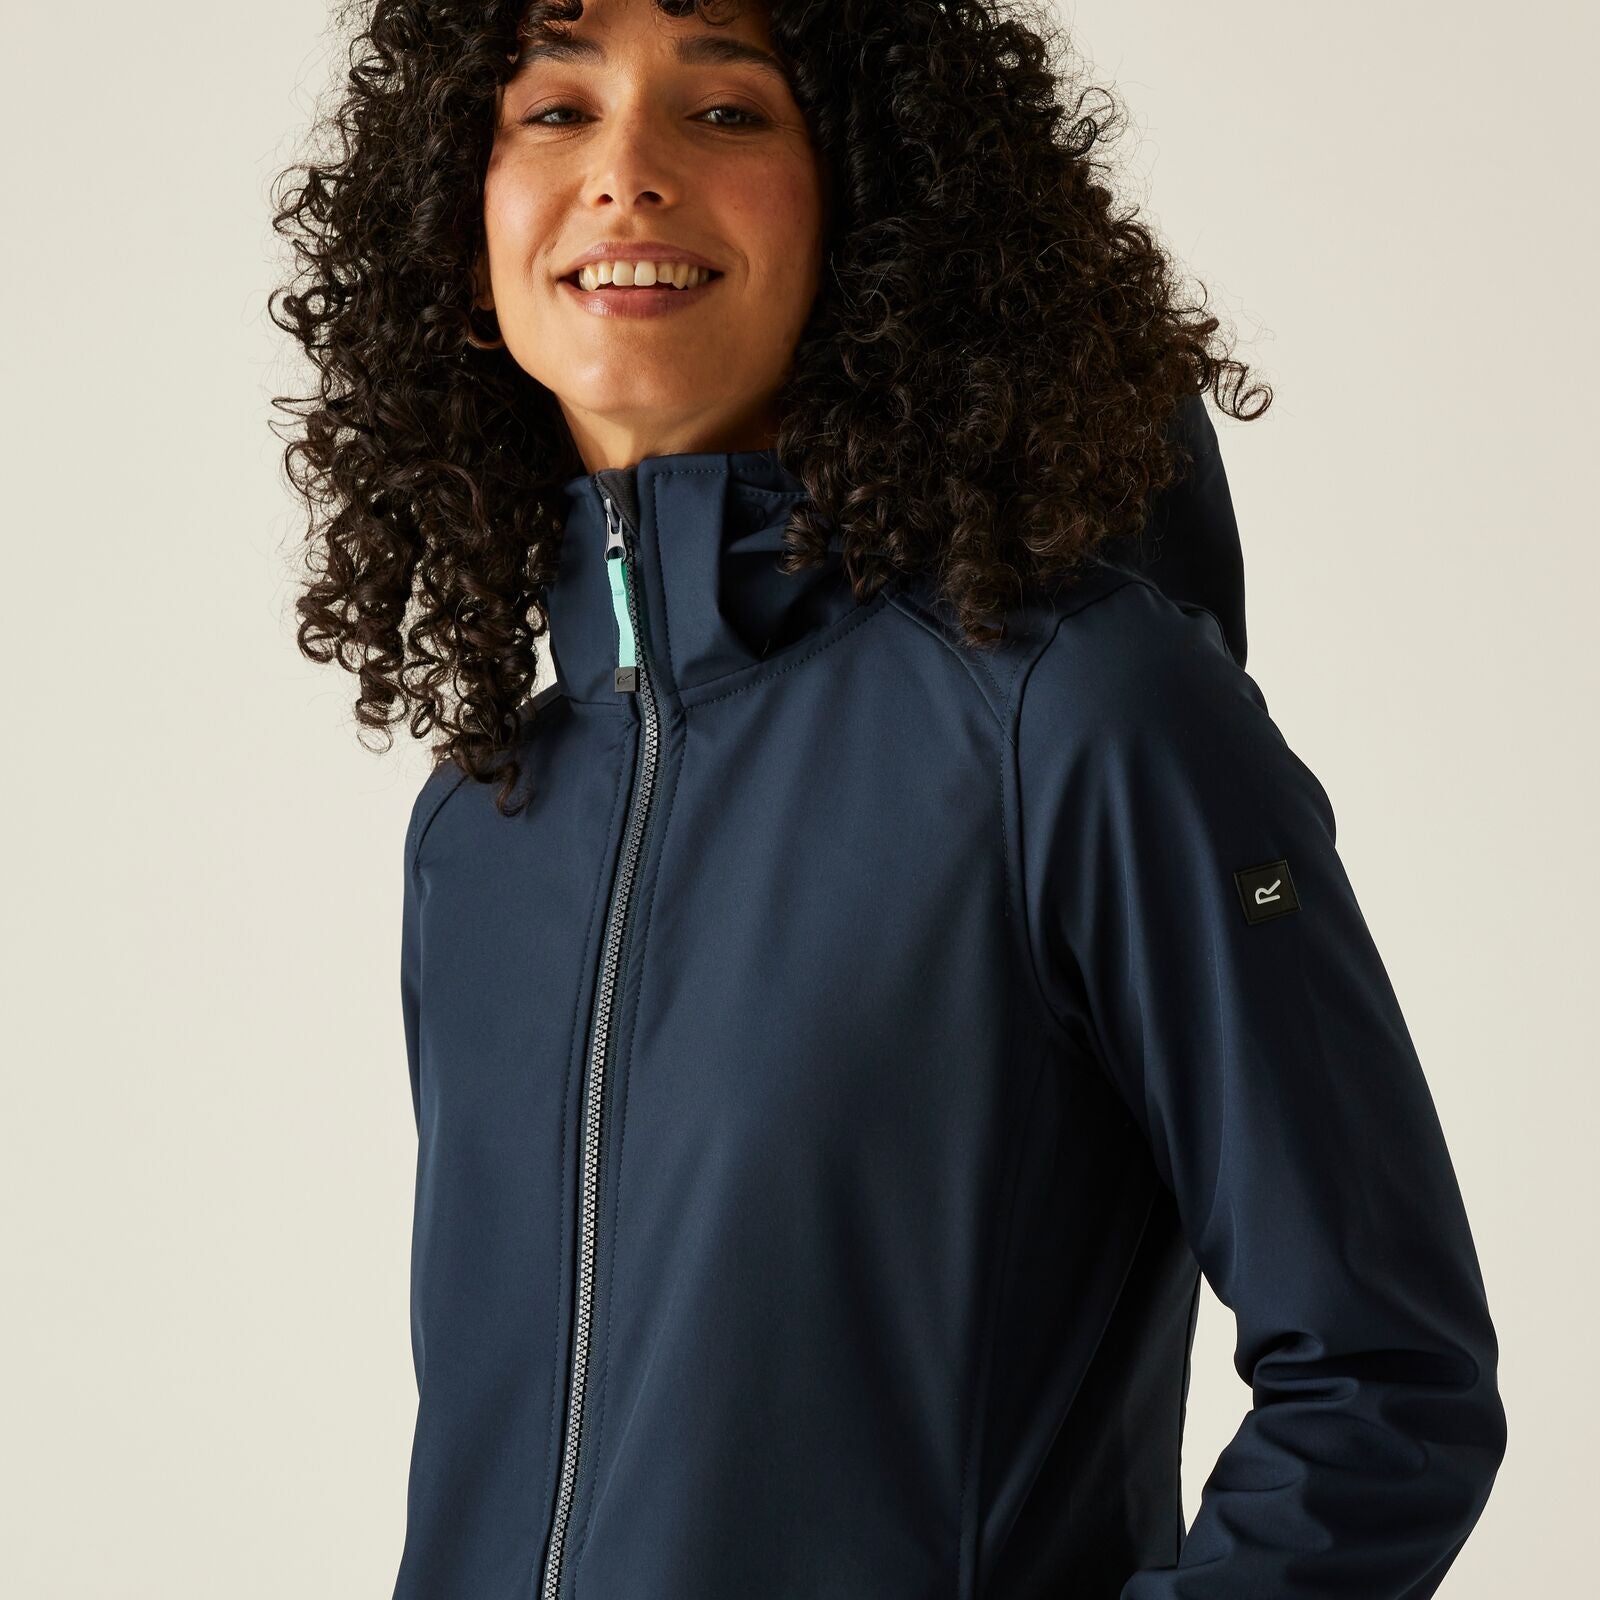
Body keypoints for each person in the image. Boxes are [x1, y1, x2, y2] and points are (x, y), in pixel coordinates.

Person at [268, 1, 1508, 1596]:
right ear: (461, 223)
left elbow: (1385, 1384)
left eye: (728, 111)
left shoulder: (1075, 717)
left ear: (877, 212)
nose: (626, 170)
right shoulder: (486, 823)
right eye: (554, 112)